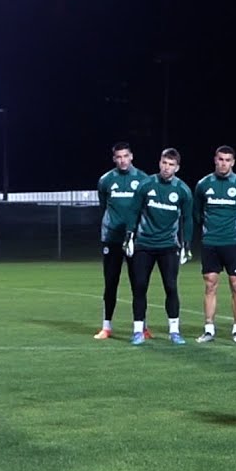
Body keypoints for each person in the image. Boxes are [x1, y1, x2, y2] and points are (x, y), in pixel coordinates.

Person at [125, 148, 193, 345]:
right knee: (139, 287)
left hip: (168, 246)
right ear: (159, 163)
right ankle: (138, 330)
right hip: (144, 244)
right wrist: (129, 236)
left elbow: (188, 219)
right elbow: (133, 210)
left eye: (171, 164)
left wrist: (186, 244)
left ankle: (174, 331)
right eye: (164, 163)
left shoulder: (183, 190)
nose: (166, 167)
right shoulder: (146, 185)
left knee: (171, 287)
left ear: (177, 168)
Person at [194, 146, 236, 343]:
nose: (223, 163)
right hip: (211, 242)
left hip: (233, 242)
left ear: (233, 162)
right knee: (210, 284)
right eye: (220, 159)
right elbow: (197, 213)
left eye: (227, 160)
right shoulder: (203, 184)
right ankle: (209, 329)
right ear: (215, 160)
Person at [94, 142, 150, 340]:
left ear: (131, 156)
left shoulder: (143, 179)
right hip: (112, 239)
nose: (122, 160)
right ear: (114, 159)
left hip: (136, 239)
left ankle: (142, 327)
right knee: (111, 283)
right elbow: (103, 206)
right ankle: (106, 327)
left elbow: (146, 208)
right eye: (118, 157)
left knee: (139, 284)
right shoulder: (106, 180)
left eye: (125, 156)